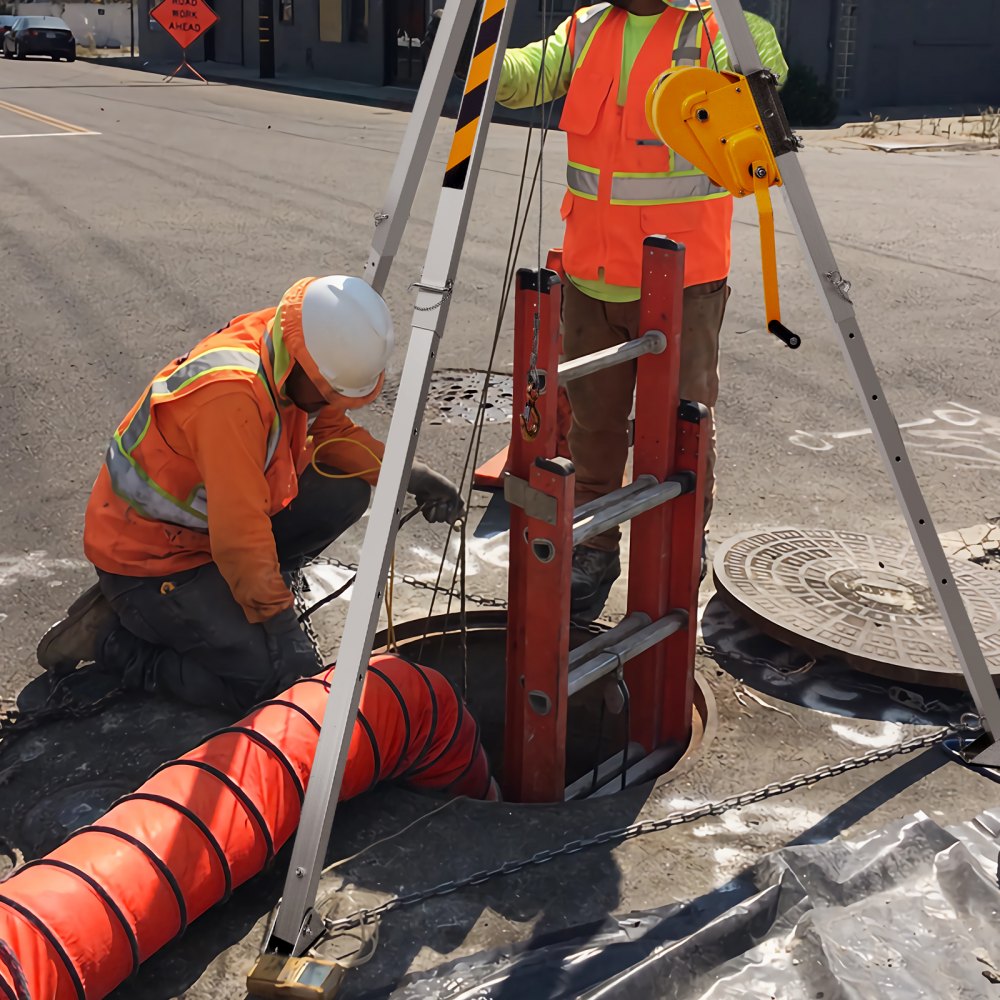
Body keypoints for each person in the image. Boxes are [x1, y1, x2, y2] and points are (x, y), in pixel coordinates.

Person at [36, 275, 464, 713]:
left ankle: (246, 595)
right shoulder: (231, 396)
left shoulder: (290, 340)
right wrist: (281, 628)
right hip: (152, 562)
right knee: (264, 682)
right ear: (302, 363)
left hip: (210, 532)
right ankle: (117, 642)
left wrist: (410, 475)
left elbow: (333, 436)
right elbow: (239, 534)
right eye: (326, 395)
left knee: (347, 491)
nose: (329, 405)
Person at [495, 1, 787, 618]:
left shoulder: (713, 27)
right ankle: (594, 549)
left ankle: (682, 541)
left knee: (684, 429)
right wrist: (483, 62)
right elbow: (525, 77)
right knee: (593, 429)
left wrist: (745, 55)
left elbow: (766, 73)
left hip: (684, 277)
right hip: (592, 274)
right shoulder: (586, 26)